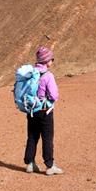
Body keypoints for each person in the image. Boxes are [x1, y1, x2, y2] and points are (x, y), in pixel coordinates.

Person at [23, 46, 63, 175]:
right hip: (45, 111)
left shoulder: (30, 74)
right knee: (47, 138)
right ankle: (50, 166)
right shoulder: (48, 76)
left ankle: (30, 163)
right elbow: (54, 95)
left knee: (32, 137)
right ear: (46, 61)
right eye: (51, 59)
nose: (52, 61)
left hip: (31, 110)